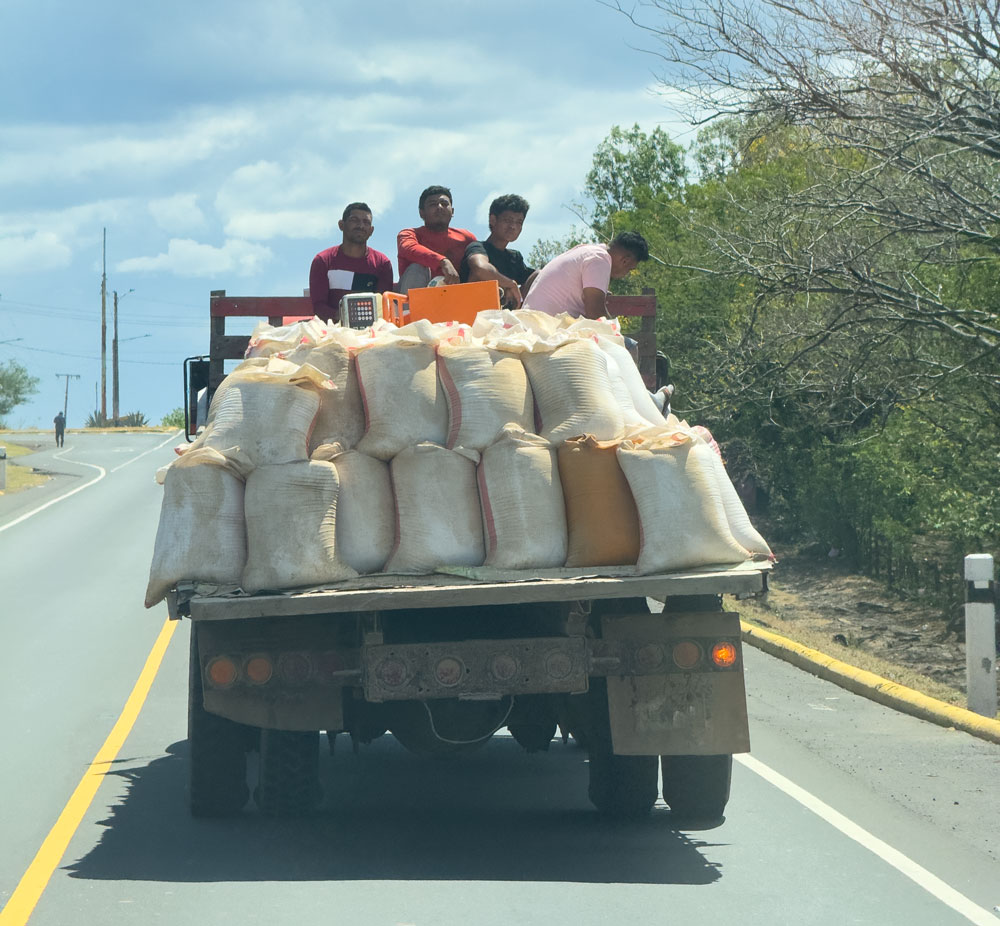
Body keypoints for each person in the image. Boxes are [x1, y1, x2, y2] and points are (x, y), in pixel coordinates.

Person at [521, 232, 650, 319]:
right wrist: (616, 332)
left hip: (534, 320)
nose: (626, 274)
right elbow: (596, 313)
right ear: (625, 261)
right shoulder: (600, 259)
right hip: (547, 327)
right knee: (628, 346)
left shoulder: (588, 251)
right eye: (629, 268)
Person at [309, 202, 394, 321]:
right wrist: (346, 318)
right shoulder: (323, 261)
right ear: (341, 225)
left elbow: (381, 308)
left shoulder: (382, 264)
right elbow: (319, 307)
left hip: (372, 333)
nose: (361, 226)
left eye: (366, 222)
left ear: (371, 230)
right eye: (354, 220)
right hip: (332, 331)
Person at [459, 193, 535, 309]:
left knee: (539, 275)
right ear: (493, 220)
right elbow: (480, 268)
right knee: (479, 274)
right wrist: (509, 284)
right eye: (508, 220)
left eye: (519, 222)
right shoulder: (477, 247)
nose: (513, 226)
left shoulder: (515, 257)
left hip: (508, 316)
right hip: (474, 313)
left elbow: (537, 278)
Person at [396, 186, 477, 293]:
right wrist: (443, 261)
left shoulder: (467, 238)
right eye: (432, 204)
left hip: (457, 299)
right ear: (421, 213)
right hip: (416, 302)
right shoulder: (409, 234)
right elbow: (408, 248)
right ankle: (410, 310)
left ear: (452, 211)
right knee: (418, 267)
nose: (439, 207)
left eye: (444, 204)